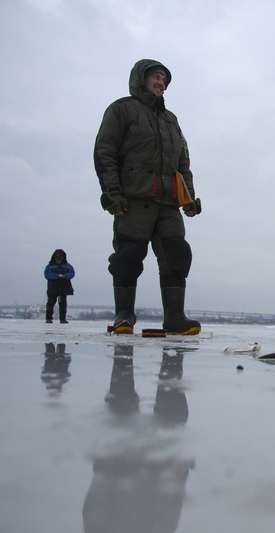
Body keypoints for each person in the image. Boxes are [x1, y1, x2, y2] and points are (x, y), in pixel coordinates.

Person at [94, 59, 201, 335]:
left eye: (164, 79)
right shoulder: (122, 110)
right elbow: (104, 152)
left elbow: (183, 163)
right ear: (141, 79)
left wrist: (188, 198)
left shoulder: (170, 120)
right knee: (128, 256)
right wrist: (112, 193)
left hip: (168, 202)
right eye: (155, 77)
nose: (161, 83)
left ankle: (175, 318)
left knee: (177, 255)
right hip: (134, 199)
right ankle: (124, 315)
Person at [44, 249, 75, 323]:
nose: (58, 261)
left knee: (63, 303)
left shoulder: (68, 266)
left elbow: (72, 274)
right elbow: (46, 274)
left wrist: (65, 276)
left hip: (63, 288)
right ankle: (49, 318)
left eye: (60, 260)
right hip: (53, 288)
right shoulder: (50, 266)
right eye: (57, 260)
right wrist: (57, 276)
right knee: (51, 303)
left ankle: (62, 319)